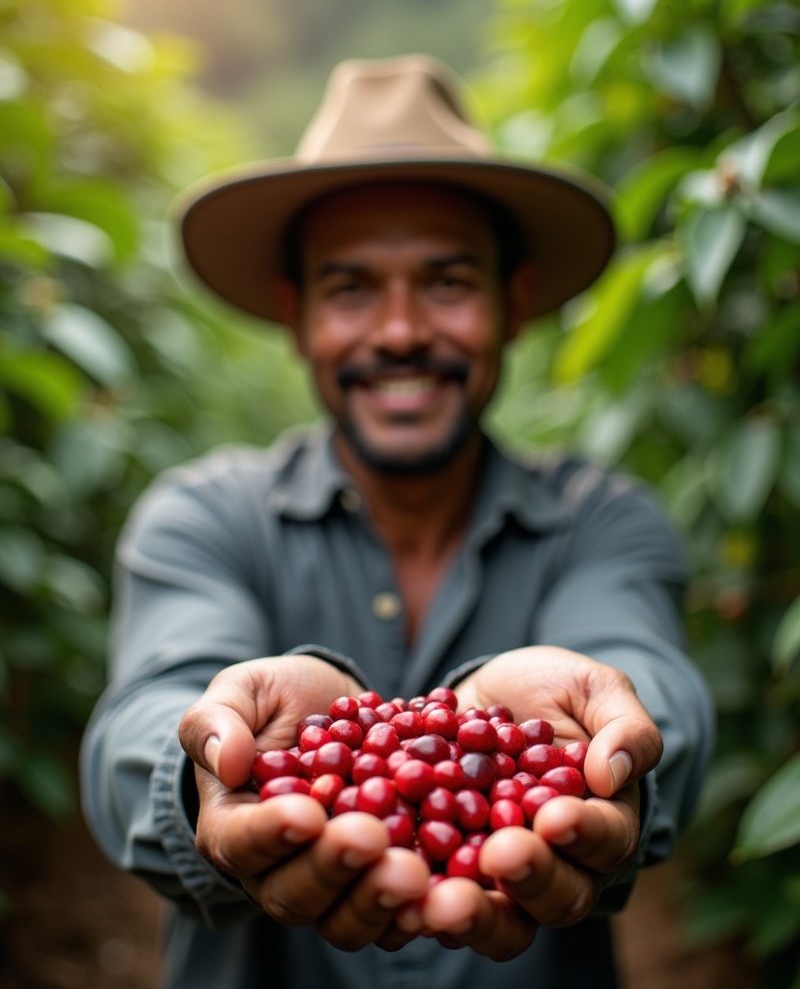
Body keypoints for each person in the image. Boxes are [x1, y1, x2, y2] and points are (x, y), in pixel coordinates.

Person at [80, 54, 714, 989]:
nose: (402, 330)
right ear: (297, 319)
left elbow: (647, 673)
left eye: (449, 283)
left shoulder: (604, 519)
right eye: (351, 290)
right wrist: (205, 769)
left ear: (515, 305)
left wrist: (616, 738)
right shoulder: (200, 516)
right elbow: (146, 712)